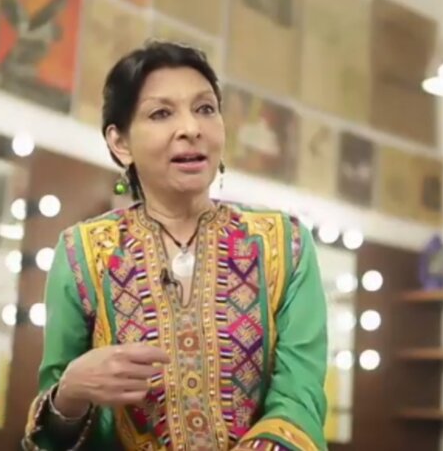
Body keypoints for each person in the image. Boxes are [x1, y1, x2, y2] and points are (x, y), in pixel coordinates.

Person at [22, 41, 328, 451]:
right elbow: (51, 436)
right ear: (120, 143)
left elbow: (299, 401)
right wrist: (71, 393)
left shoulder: (284, 245)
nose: (191, 128)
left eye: (205, 109)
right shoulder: (84, 253)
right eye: (161, 113)